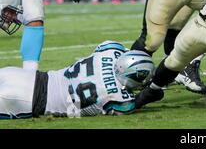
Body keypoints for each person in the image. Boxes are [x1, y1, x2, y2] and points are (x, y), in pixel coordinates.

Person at [0, 40, 154, 118]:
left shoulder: (109, 51)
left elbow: (113, 48)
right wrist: (145, 97)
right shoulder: (118, 98)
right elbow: (129, 106)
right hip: (28, 101)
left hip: (27, 76)